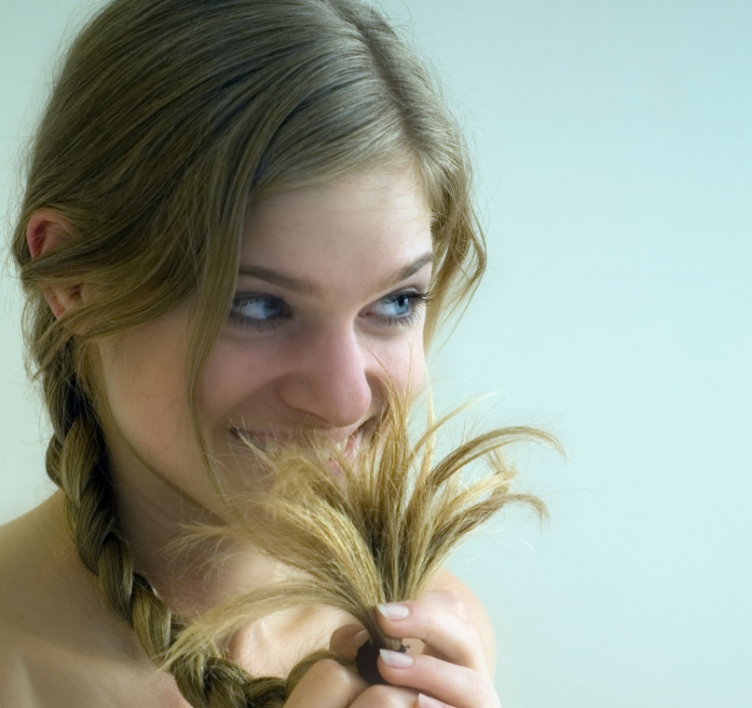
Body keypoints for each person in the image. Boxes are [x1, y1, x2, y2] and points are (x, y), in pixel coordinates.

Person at [0, 1, 507, 706]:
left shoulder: (433, 643)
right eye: (260, 305)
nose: (345, 399)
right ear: (74, 282)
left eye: (396, 302)